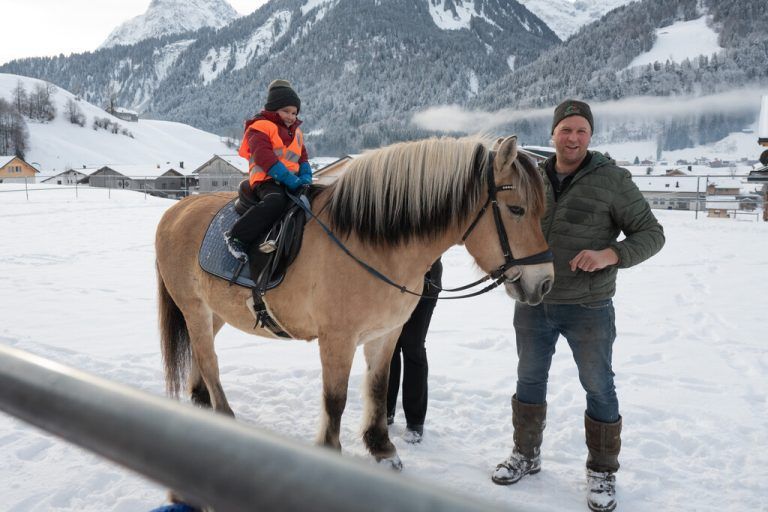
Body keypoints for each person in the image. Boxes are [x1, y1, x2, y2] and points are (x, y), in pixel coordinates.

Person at [491, 100, 665, 512]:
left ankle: (603, 471)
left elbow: (652, 234)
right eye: (566, 129)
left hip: (589, 305)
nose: (572, 138)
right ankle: (526, 454)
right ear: (553, 133)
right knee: (529, 381)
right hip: (534, 300)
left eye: (581, 131)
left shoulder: (612, 180)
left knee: (599, 387)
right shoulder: (530, 175)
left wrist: (611, 254)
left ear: (590, 136)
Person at [225, 79, 311, 261]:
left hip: (290, 180)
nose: (291, 116)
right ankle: (237, 236)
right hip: (266, 181)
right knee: (276, 201)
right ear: (273, 110)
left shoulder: (297, 133)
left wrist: (306, 175)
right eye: (286, 111)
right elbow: (264, 157)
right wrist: (289, 178)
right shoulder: (260, 127)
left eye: (294, 113)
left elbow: (303, 157)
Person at [386, 258, 442, 444]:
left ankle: (415, 421)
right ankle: (384, 410)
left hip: (424, 285)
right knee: (389, 346)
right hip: (390, 284)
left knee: (413, 345)